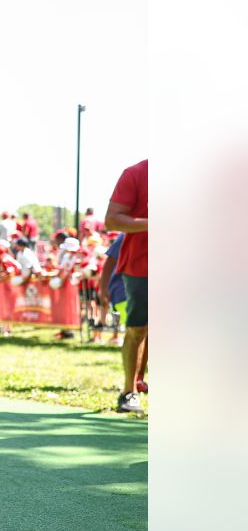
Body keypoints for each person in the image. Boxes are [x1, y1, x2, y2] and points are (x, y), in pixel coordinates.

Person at [106, 159, 148, 413]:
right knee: (138, 330)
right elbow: (112, 221)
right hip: (141, 266)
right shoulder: (136, 173)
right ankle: (128, 391)